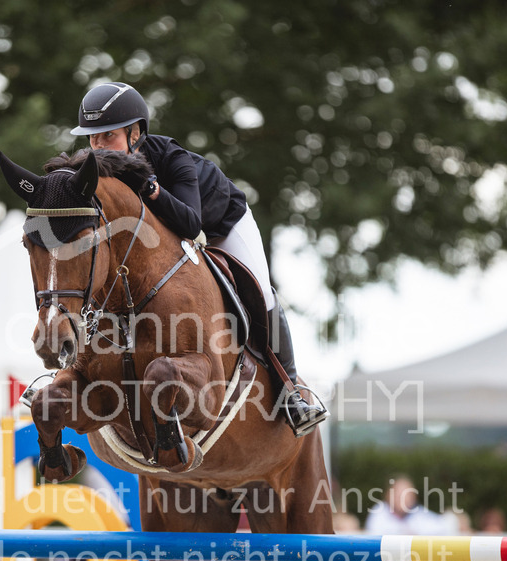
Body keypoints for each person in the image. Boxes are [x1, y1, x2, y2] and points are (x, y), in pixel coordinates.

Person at [69, 82, 327, 436]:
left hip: (222, 222)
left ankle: (290, 390)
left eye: (107, 136)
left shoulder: (171, 159)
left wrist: (151, 189)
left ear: (135, 133)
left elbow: (191, 224)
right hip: (166, 242)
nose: (98, 147)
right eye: (92, 138)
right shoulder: (96, 174)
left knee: (262, 292)